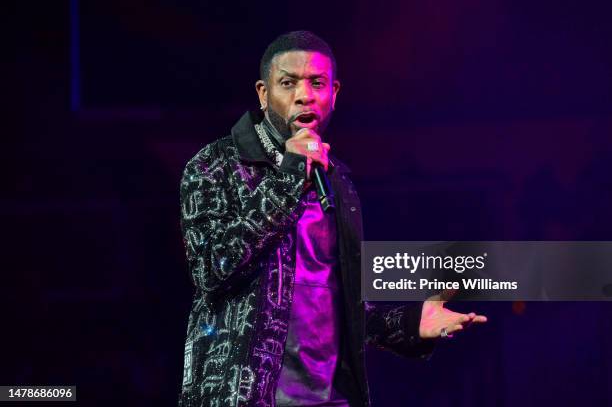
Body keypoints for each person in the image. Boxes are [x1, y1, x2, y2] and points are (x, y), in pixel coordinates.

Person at [178, 30, 486, 407]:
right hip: (247, 397)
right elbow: (212, 268)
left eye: (317, 83)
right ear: (263, 93)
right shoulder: (215, 166)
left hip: (330, 398)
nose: (304, 95)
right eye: (288, 83)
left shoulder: (336, 180)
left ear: (334, 93)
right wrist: (290, 174)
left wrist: (409, 325)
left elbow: (337, 304)